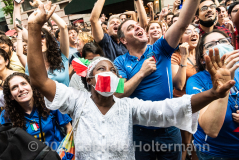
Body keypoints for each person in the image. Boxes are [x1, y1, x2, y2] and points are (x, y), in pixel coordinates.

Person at [27, 3, 236, 160]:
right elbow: (38, 79)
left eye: (112, 71)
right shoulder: (76, 102)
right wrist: (34, 28)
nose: (109, 73)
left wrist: (214, 93)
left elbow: (172, 108)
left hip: (165, 135)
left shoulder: (129, 108)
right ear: (90, 80)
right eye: (101, 69)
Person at [114, 0, 200, 159]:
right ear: (123, 40)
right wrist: (141, 73)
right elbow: (119, 92)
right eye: (130, 28)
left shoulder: (160, 48)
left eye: (138, 25)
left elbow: (182, 24)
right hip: (139, 132)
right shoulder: (119, 62)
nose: (138, 27)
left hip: (168, 128)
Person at [186, 29, 239, 160]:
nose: (218, 46)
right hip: (216, 153)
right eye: (210, 45)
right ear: (202, 59)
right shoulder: (196, 81)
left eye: (223, 42)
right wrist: (223, 84)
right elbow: (211, 130)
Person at [0, 72, 72, 150]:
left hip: (57, 153)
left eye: (24, 84)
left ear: (31, 87)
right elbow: (6, 145)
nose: (21, 89)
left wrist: (66, 152)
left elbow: (68, 128)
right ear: (11, 96)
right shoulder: (7, 115)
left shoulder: (48, 103)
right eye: (14, 87)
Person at [15, 0, 70, 86]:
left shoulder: (61, 56)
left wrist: (42, 6)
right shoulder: (30, 63)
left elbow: (63, 27)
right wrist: (17, 5)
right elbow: (18, 25)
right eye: (36, 38)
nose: (39, 40)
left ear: (48, 39)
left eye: (42, 36)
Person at [171, 24, 199, 160]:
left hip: (202, 103)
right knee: (185, 144)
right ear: (180, 38)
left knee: (198, 143)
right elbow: (179, 84)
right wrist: (183, 56)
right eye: (188, 31)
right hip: (184, 106)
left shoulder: (202, 54)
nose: (194, 33)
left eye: (196, 30)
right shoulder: (175, 56)